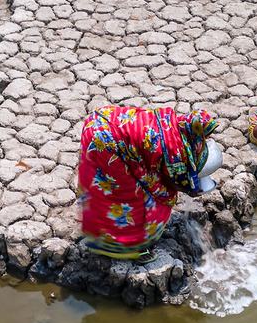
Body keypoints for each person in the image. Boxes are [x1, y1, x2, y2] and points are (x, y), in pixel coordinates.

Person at [78, 105, 221, 263]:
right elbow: (156, 186)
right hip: (104, 142)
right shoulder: (174, 155)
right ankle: (125, 246)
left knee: (104, 189)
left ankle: (101, 231)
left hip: (101, 119)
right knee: (127, 195)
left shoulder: (179, 129)